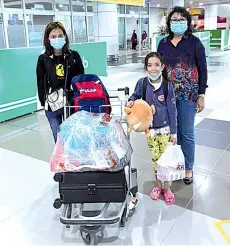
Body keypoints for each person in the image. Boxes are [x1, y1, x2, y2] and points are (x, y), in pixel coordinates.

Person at [157, 6, 208, 185]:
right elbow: (159, 69)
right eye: (174, 20)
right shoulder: (163, 43)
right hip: (167, 95)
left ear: (187, 22)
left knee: (186, 132)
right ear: (169, 23)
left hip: (188, 94)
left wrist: (201, 94)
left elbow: (202, 69)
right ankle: (173, 165)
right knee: (171, 132)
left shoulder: (194, 42)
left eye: (181, 19)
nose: (177, 22)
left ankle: (187, 168)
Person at [127, 52, 177, 205]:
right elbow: (135, 95)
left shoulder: (167, 87)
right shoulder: (142, 83)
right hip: (150, 131)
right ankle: (158, 186)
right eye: (149, 65)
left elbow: (172, 111)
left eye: (156, 65)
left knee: (166, 160)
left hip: (166, 130)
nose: (153, 68)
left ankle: (167, 188)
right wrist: (131, 100)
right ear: (146, 67)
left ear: (162, 67)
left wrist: (174, 133)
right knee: (155, 159)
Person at [36, 21, 84, 143]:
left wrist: (80, 99)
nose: (57, 38)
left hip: (71, 103)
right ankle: (61, 161)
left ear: (65, 37)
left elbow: (81, 80)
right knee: (59, 138)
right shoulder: (43, 59)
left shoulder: (74, 56)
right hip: (52, 105)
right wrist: (43, 102)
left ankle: (73, 161)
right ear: (48, 39)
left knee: (73, 137)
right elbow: (40, 82)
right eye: (53, 36)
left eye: (60, 35)